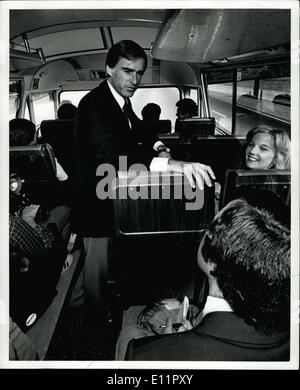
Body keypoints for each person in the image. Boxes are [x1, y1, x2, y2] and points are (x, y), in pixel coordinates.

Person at [72, 40, 215, 314]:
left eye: (138, 73)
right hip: (95, 204)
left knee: (102, 265)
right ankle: (93, 325)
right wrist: (171, 163)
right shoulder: (94, 104)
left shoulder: (121, 102)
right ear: (108, 69)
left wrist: (160, 146)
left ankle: (85, 303)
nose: (134, 79)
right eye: (127, 71)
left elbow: (140, 130)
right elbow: (110, 155)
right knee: (96, 273)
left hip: (114, 197)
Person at [125, 199, 290, 361]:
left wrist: (173, 345)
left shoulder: (145, 355)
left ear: (213, 263)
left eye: (210, 229)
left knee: (129, 330)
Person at [9, 118, 71, 244]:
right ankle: (62, 249)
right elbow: (64, 179)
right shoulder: (44, 155)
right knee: (66, 209)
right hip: (43, 208)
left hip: (15, 211)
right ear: (32, 138)